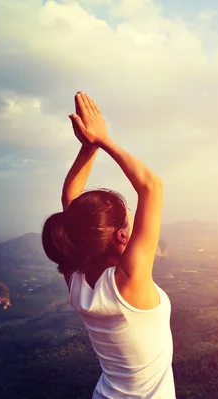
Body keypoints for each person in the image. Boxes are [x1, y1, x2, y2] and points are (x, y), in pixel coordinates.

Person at [41, 92, 175, 399]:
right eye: (129, 217)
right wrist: (101, 140)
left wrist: (89, 147)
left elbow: (71, 205)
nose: (133, 217)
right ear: (122, 237)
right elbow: (152, 186)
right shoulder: (128, 284)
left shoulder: (77, 280)